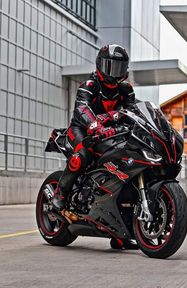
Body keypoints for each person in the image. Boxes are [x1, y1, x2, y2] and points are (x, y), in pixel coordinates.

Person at [52, 44, 138, 250]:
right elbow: (82, 108)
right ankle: (60, 195)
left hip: (111, 133)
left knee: (126, 170)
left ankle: (120, 234)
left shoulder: (126, 89)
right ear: (100, 65)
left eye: (119, 67)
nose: (114, 73)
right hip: (82, 129)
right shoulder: (89, 85)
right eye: (110, 66)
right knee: (82, 156)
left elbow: (134, 111)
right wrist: (95, 125)